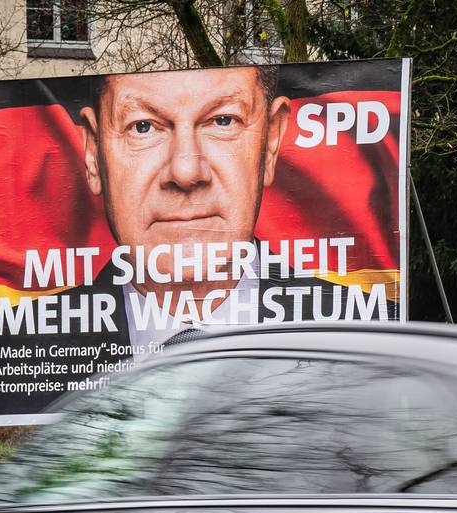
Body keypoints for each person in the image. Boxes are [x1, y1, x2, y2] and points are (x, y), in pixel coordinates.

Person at [66, 65, 354, 356]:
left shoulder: (362, 335)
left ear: (270, 142)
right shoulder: (25, 353)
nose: (186, 171)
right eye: (143, 126)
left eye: (223, 121)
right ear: (93, 152)